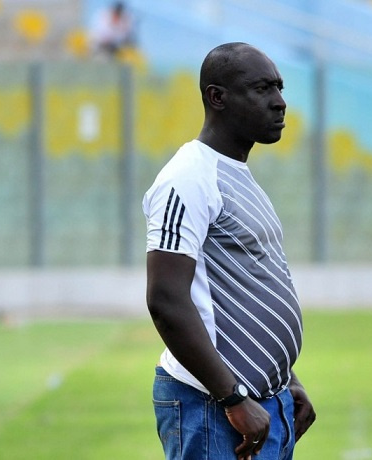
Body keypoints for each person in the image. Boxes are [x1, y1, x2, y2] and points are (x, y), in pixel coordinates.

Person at [143, 42, 316, 460]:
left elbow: (250, 291)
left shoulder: (235, 175)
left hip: (265, 399)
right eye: (262, 89)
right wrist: (233, 398)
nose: (279, 103)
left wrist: (285, 377)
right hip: (212, 406)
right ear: (216, 97)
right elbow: (166, 299)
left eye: (279, 88)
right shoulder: (187, 179)